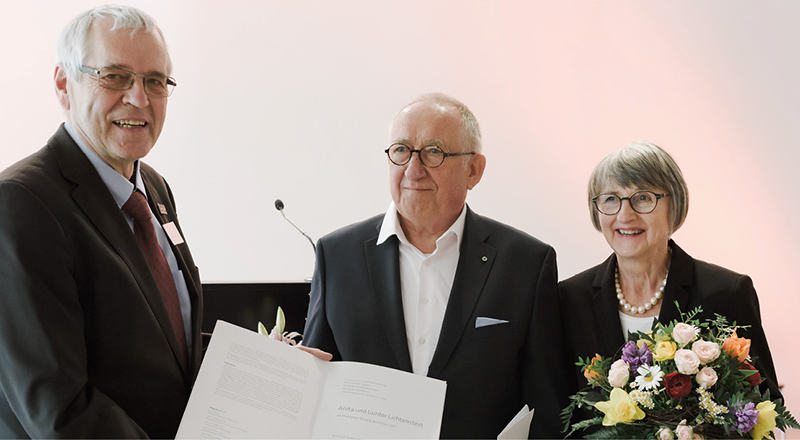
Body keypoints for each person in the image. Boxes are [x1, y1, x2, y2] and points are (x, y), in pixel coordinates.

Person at [303, 93, 568, 439]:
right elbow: (315, 384)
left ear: (473, 170)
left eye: (433, 152)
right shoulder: (337, 255)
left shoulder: (526, 263)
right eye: (401, 150)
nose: (413, 170)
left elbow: (548, 411)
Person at [0, 6, 202, 437]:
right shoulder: (21, 203)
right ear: (63, 84)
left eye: (155, 81)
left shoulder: (154, 188)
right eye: (114, 76)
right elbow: (60, 411)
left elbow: (167, 349)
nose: (139, 98)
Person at [559, 142, 782, 423]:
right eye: (610, 199)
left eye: (643, 198)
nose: (625, 215)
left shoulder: (727, 292)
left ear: (674, 204)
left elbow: (764, 406)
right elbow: (556, 414)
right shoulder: (568, 299)